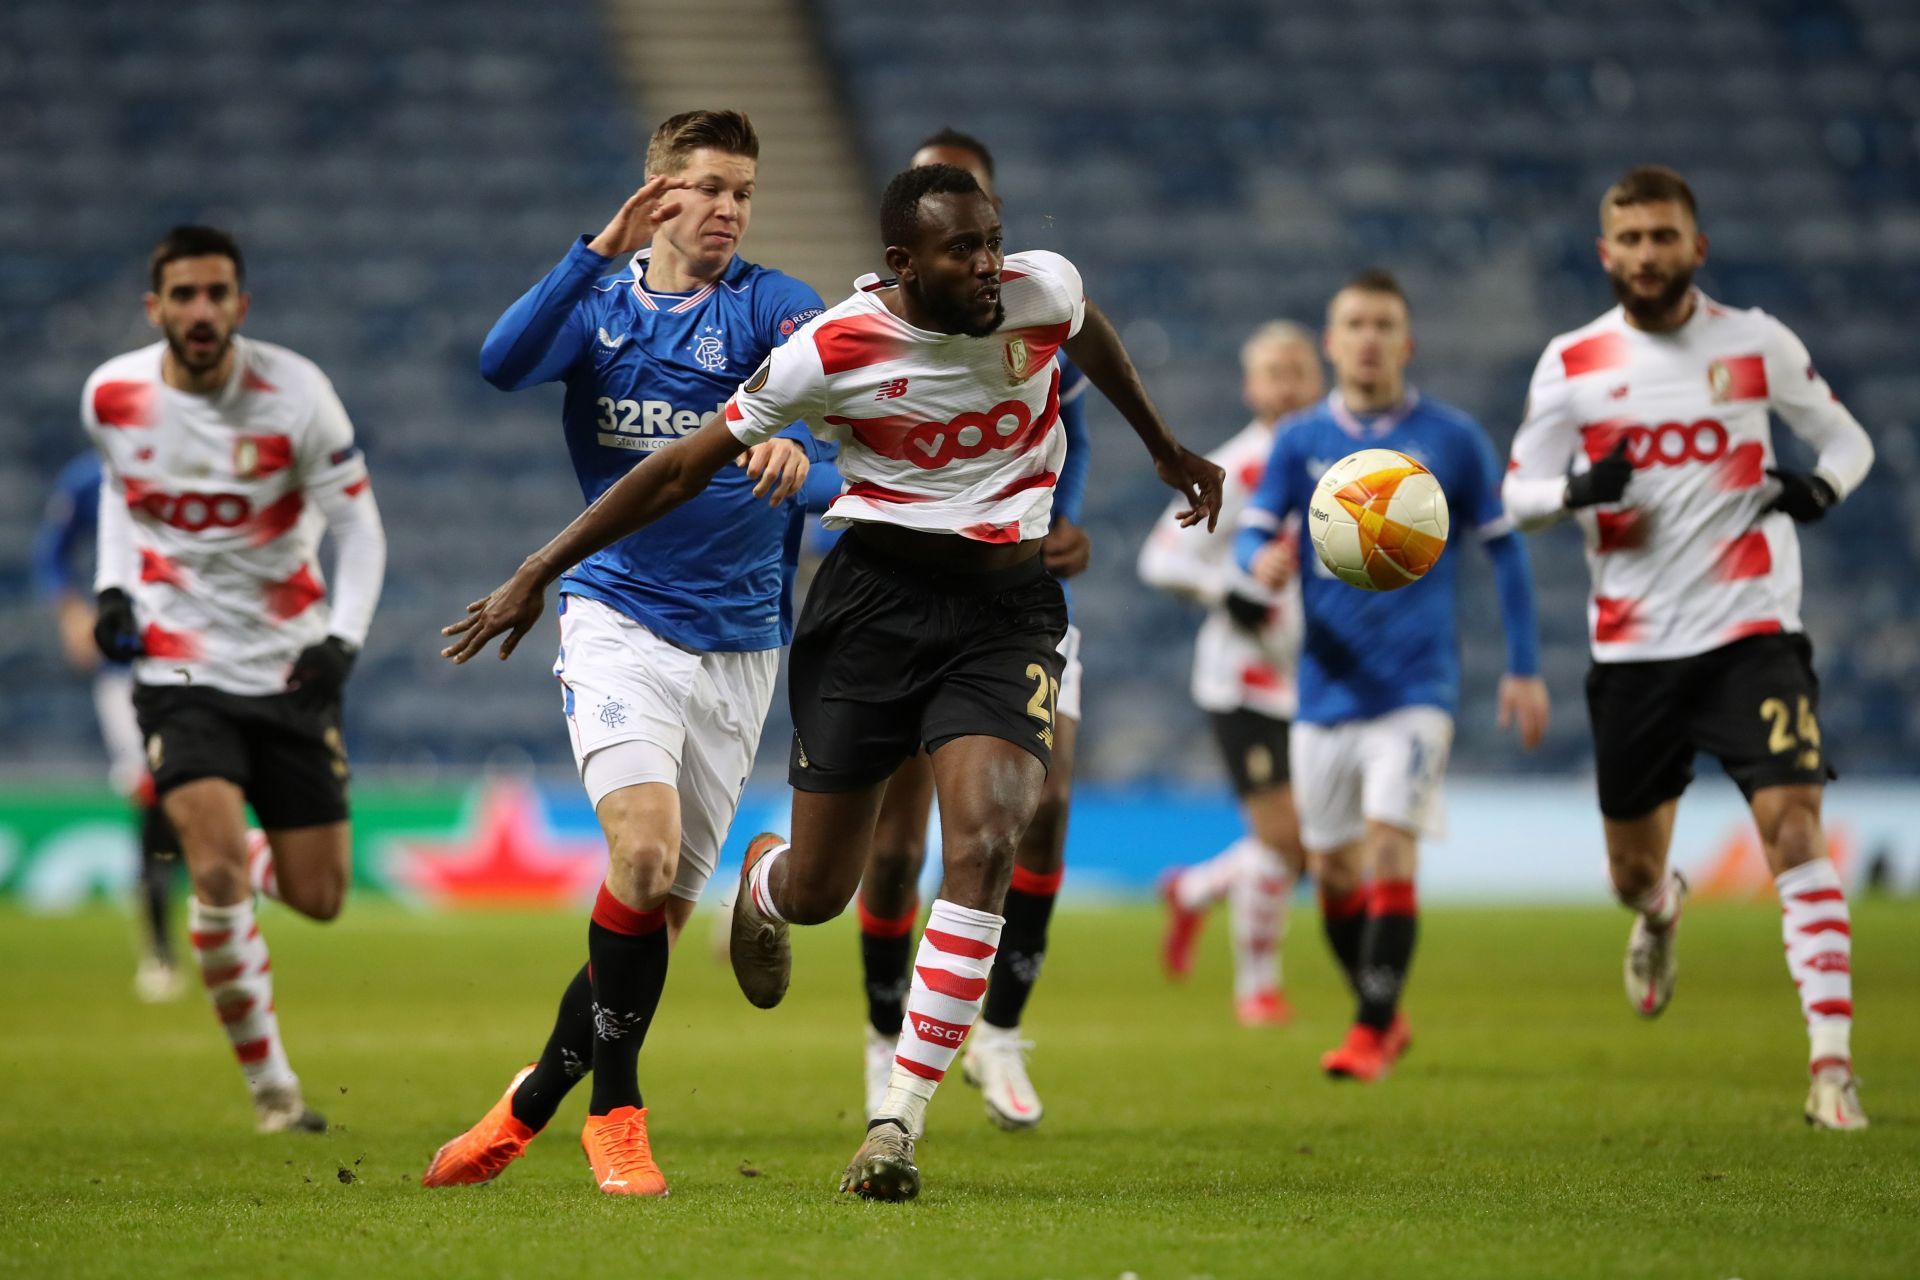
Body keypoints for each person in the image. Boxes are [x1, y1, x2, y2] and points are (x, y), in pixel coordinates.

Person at [442, 163, 1223, 1201]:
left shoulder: (1042, 289)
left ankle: (896, 1120)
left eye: (992, 240)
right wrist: (537, 569)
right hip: (871, 616)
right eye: (963, 251)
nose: (990, 266)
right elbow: (679, 466)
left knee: (986, 836)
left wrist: (1166, 448)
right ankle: (766, 882)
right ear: (904, 263)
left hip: (1005, 613)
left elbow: (1089, 332)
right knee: (822, 891)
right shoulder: (833, 348)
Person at [421, 110, 830, 1197]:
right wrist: (593, 249)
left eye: (742, 189)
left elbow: (846, 449)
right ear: (656, 191)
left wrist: (802, 444)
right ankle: (617, 1112)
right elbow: (504, 362)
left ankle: (525, 1105)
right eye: (703, 186)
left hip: (741, 642)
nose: (727, 208)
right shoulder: (599, 307)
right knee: (640, 859)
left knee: (643, 927)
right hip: (617, 615)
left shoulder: (773, 306)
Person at [1503, 165, 1876, 1130]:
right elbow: (1517, 498)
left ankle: (1831, 1065)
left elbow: (1847, 442)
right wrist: (1578, 492)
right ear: (1605, 254)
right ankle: (1661, 912)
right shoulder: (1572, 362)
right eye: (1629, 239)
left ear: (1695, 248)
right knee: (1631, 870)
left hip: (1753, 630)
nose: (1647, 255)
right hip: (1633, 650)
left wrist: (1818, 491)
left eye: (1663, 237)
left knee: (1794, 824)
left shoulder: (1755, 344)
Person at [83, 224, 387, 1132]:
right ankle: (274, 1091)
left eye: (217, 294)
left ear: (240, 305)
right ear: (157, 308)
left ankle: (241, 853)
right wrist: (112, 584)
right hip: (180, 667)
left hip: (289, 665)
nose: (201, 310)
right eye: (184, 295)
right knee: (212, 876)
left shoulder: (296, 397)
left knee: (321, 898)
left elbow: (361, 531)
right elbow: (117, 488)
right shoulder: (114, 395)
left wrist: (343, 642)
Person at [1235, 269, 1548, 1082]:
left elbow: (1504, 546)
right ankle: (1383, 1008)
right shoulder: (1300, 441)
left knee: (1387, 849)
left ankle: (1369, 1031)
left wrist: (1522, 666)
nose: (1369, 338)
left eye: (1383, 325)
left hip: (1416, 687)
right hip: (1324, 690)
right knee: (1332, 871)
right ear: (1332, 343)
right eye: (1354, 324)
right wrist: (1260, 562)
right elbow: (1250, 537)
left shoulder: (1450, 438)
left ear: (1405, 343)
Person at [850, 127, 1094, 1134]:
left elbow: (1065, 422)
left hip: (1020, 592)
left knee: (1043, 803)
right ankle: (881, 1036)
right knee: (898, 843)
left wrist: (1059, 520)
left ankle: (997, 1029)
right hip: (908, 596)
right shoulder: (870, 324)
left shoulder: (1029, 298)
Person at [1139, 321, 1323, 1026]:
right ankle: (1257, 988)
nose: (1287, 383)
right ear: (1252, 387)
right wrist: (1234, 589)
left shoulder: (1341, 467)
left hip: (1313, 678)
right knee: (1285, 841)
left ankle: (1194, 890)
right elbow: (1162, 558)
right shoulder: (1240, 467)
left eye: (1298, 369)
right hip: (1243, 680)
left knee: (1309, 846)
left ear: (1318, 380)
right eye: (1272, 372)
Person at [34, 450, 187, 1002]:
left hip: (209, 657)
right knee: (157, 794)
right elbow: (51, 554)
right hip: (130, 669)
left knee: (199, 791)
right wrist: (72, 612)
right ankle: (160, 949)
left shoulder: (201, 463)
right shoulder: (88, 478)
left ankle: (212, 913)